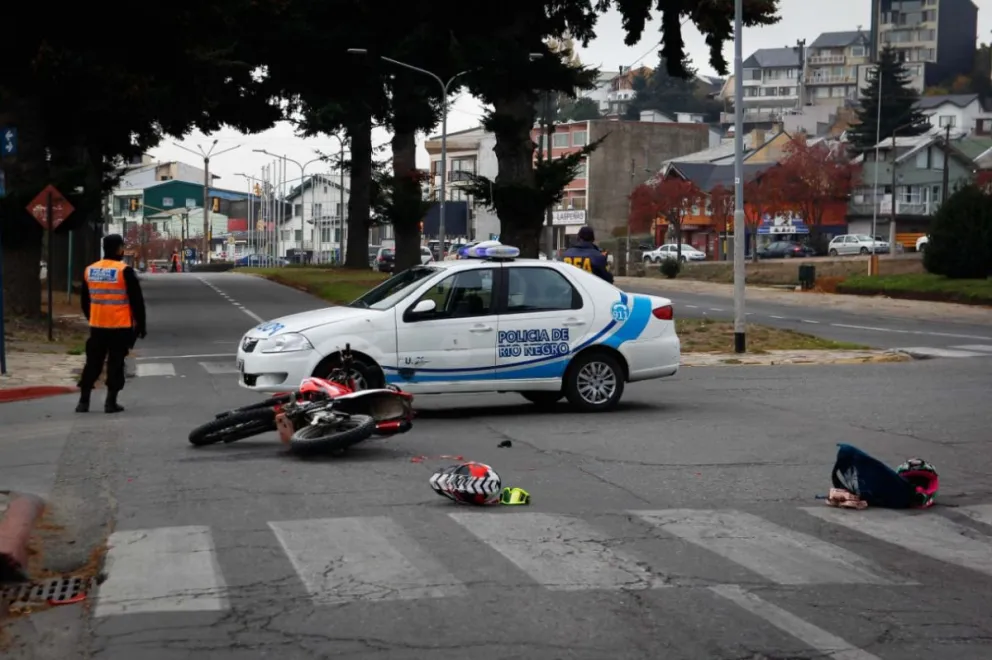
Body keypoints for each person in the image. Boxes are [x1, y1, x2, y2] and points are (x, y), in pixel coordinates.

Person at [76, 234, 147, 413]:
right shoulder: (124, 271)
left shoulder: (90, 270)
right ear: (118, 249)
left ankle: (83, 401)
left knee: (93, 363)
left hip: (97, 326)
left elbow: (85, 301)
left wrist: (92, 317)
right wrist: (141, 325)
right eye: (122, 247)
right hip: (120, 326)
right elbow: (136, 302)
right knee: (116, 363)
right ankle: (110, 402)